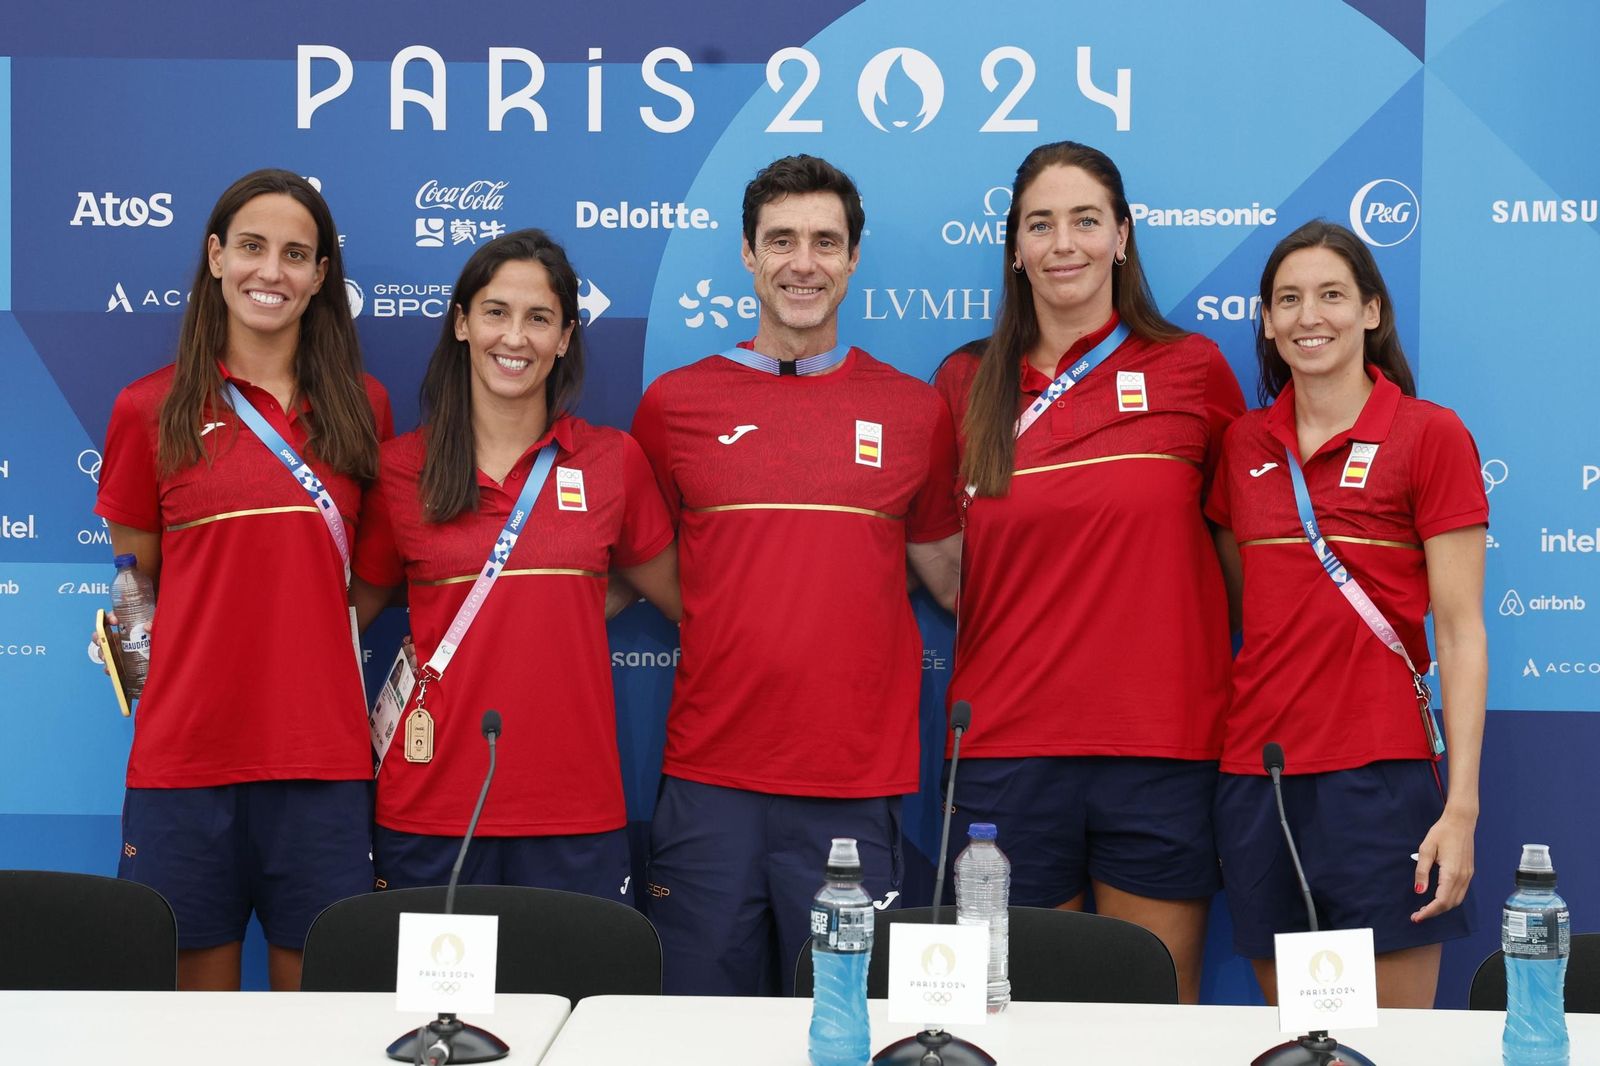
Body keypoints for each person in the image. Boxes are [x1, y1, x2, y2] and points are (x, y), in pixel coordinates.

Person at [630, 154, 962, 996]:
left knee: (844, 1031)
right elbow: (642, 563)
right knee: (697, 1042)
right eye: (781, 240)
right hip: (709, 786)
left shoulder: (916, 412)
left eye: (825, 241)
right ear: (748, 253)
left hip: (852, 790)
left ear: (853, 258)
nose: (802, 263)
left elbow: (950, 576)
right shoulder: (675, 406)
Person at [933, 141, 1245, 1003]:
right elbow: (943, 559)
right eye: (1041, 224)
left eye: (1084, 220)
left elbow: (1238, 556)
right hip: (1006, 749)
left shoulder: (1193, 371)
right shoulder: (965, 384)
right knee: (999, 1015)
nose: (1062, 242)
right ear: (1015, 249)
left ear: (1121, 237)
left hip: (1160, 744)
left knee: (1155, 1011)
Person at [95, 168, 391, 990]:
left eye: (297, 254)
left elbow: (365, 587)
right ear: (217, 258)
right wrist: (168, 707)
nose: (273, 272)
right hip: (186, 770)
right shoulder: (146, 410)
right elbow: (130, 587)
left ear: (321, 278)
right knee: (197, 1038)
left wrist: (306, 657)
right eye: (254, 248)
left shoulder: (362, 408)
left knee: (321, 1028)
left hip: (320, 767)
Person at [1207, 220, 1486, 1007]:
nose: (1309, 316)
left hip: (1382, 781)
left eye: (1332, 295)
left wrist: (1461, 807)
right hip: (1257, 782)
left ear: (1371, 311)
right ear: (1264, 319)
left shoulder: (1429, 435)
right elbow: (1246, 603)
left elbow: (1462, 634)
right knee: (1297, 1041)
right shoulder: (1240, 445)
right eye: (1288, 299)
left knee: (1389, 1050)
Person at [353, 230, 679, 902]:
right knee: (431, 1013)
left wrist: (577, 597)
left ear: (564, 339)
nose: (516, 337)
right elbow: (346, 611)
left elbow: (683, 597)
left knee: (581, 1010)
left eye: (539, 318)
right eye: (496, 312)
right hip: (430, 811)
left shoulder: (612, 461)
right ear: (462, 324)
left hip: (574, 813)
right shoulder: (399, 470)